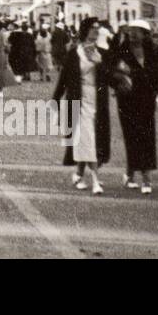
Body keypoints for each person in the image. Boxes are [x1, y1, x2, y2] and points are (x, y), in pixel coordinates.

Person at [53, 17, 110, 195]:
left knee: (90, 137)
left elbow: (109, 77)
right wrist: (55, 99)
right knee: (87, 136)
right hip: (78, 99)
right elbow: (64, 78)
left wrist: (100, 63)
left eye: (98, 28)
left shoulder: (102, 52)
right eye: (93, 28)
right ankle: (95, 180)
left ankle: (78, 173)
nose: (96, 31)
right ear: (86, 30)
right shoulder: (74, 53)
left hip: (97, 99)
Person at [114, 20, 158, 194]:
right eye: (131, 31)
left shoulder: (151, 53)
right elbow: (109, 70)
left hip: (146, 99)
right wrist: (119, 79)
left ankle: (145, 179)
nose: (132, 34)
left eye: (137, 31)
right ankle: (131, 175)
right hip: (127, 100)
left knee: (146, 137)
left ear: (145, 34)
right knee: (131, 136)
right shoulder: (120, 50)